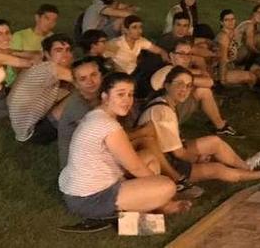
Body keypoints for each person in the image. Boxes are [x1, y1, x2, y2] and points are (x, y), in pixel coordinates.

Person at [59, 73, 190, 220]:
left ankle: (155, 206)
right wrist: (159, 186)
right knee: (167, 186)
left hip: (84, 189)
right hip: (91, 198)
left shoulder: (97, 115)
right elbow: (136, 168)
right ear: (105, 96)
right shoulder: (107, 125)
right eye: (120, 94)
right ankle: (139, 217)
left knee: (149, 156)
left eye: (130, 95)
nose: (127, 100)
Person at [137, 66, 260, 184]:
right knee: (217, 169)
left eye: (188, 86)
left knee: (215, 142)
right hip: (165, 164)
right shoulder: (164, 112)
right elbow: (179, 154)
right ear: (167, 85)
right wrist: (198, 159)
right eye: (179, 84)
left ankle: (246, 167)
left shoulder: (164, 101)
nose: (184, 90)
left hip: (168, 150)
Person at [150, 38, 238, 136]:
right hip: (163, 115)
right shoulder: (171, 72)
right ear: (172, 56)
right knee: (203, 91)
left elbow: (202, 76)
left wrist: (200, 72)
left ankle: (220, 125)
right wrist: (200, 73)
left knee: (200, 90)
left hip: (169, 110)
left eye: (188, 54)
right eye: (181, 54)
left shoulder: (176, 69)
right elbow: (209, 82)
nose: (185, 58)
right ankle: (221, 126)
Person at [7, 34, 74, 144]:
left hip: (21, 126)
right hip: (34, 133)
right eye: (59, 50)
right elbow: (85, 82)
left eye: (68, 50)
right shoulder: (51, 69)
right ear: (47, 54)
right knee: (81, 93)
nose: (65, 55)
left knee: (69, 90)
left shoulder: (40, 66)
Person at [106, 16, 170, 96]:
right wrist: (117, 68)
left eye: (140, 27)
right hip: (119, 75)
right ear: (126, 30)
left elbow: (159, 50)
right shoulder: (116, 43)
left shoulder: (140, 41)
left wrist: (166, 58)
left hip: (135, 73)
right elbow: (106, 60)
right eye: (134, 27)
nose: (139, 31)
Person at [214, 9, 260, 88]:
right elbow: (223, 60)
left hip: (231, 65)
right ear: (221, 22)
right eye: (227, 20)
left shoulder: (232, 34)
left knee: (259, 70)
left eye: (232, 19)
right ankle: (238, 92)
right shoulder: (224, 37)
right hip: (219, 70)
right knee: (251, 77)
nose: (230, 22)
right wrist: (222, 81)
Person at [6, 3, 60, 84]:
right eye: (47, 19)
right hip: (18, 81)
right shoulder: (20, 35)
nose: (50, 23)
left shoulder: (54, 39)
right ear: (37, 18)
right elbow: (14, 61)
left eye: (54, 21)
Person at [235, 4, 260, 69]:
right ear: (254, 13)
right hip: (235, 55)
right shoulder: (249, 24)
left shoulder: (257, 28)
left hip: (243, 55)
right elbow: (249, 45)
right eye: (259, 13)